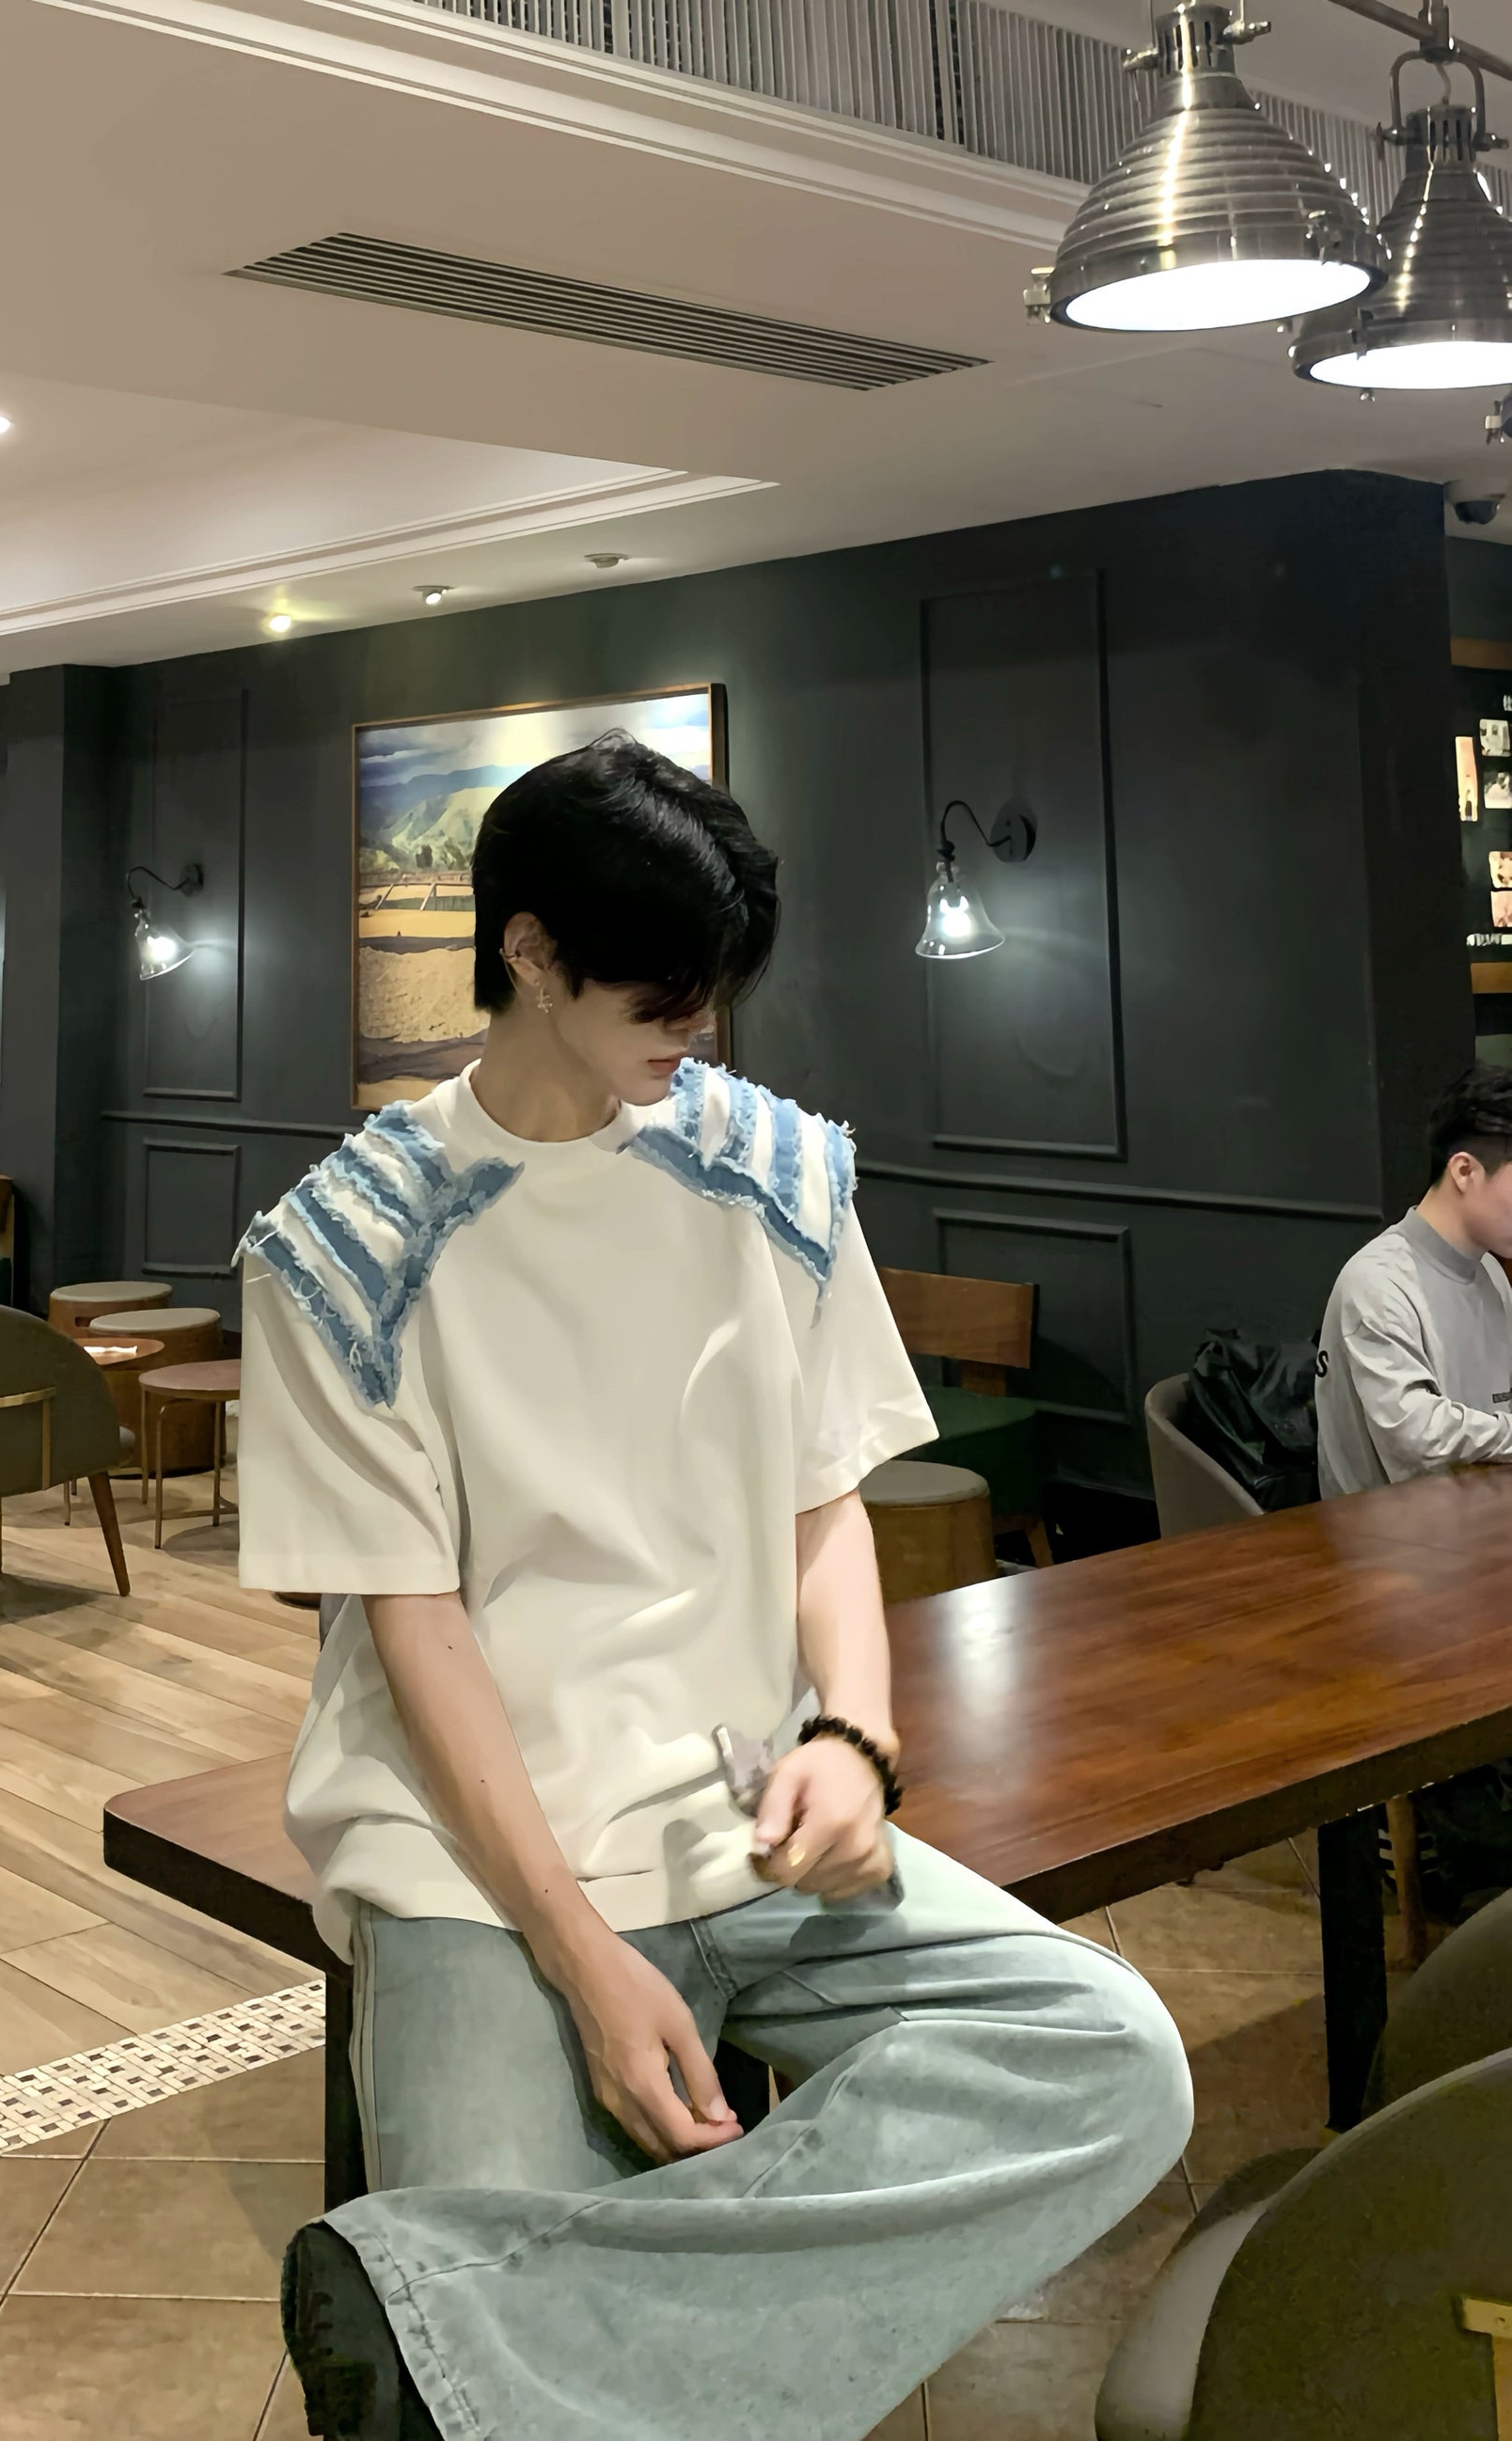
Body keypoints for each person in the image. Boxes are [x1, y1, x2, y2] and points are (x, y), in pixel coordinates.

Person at [237, 735, 1191, 2441]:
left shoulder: (774, 1172)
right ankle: (501, 2340)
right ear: (530, 954)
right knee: (526, 2317)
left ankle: (469, 2331)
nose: (698, 1033)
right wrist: (580, 1950)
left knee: (1111, 2059)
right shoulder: (349, 1246)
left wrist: (854, 1740)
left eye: (714, 996)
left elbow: (825, 1502)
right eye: (661, 998)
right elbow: (415, 1626)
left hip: (746, 1820)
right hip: (476, 1866)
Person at [1315, 1063, 1512, 1496]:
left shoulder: (1491, 1272)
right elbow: (1419, 1438)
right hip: (1387, 1528)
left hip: (1478, 1508)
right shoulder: (1378, 1285)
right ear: (1465, 1172)